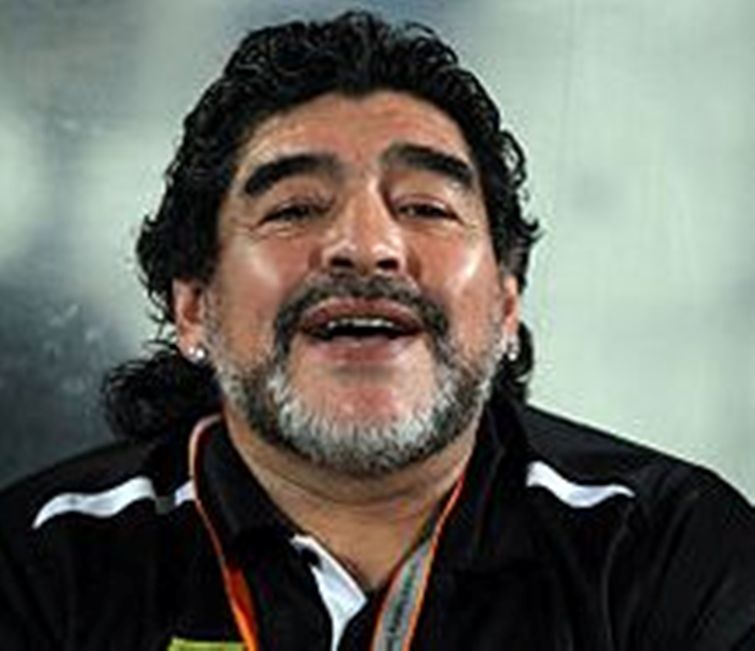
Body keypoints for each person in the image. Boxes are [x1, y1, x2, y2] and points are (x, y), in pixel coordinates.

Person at [0, 11, 753, 650]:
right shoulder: (39, 564)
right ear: (195, 306)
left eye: (426, 207)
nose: (365, 244)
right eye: (295, 208)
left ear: (505, 305)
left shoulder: (667, 548)